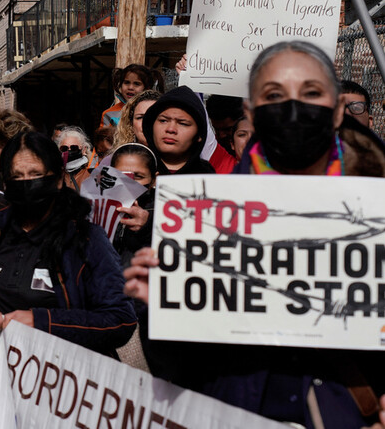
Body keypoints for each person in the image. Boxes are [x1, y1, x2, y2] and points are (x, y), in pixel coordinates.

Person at [125, 41, 385, 427]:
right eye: (274, 94)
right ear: (252, 112)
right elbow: (175, 369)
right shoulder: (205, 217)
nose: (293, 106)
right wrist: (161, 306)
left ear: (334, 112)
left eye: (311, 93)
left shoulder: (377, 206)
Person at [0, 131, 136, 417]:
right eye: (17, 177)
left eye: (35, 173)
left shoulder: (86, 239)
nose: (26, 183)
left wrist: (40, 321)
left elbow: (120, 320)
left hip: (67, 400)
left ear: (58, 179)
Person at [141, 86, 215, 175]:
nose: (171, 129)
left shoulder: (207, 176)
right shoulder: (131, 168)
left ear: (199, 134)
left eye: (183, 123)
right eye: (163, 121)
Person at [109, 143, 157, 265]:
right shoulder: (98, 209)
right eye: (120, 176)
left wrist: (148, 226)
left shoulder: (162, 213)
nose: (128, 183)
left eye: (138, 177)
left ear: (154, 180)